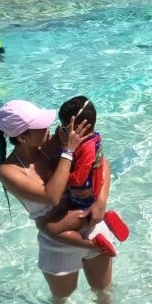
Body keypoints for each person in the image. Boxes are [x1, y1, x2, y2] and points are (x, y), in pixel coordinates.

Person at [0, 99, 124, 304]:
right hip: (58, 241)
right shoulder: (9, 171)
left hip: (90, 221)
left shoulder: (54, 142)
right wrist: (67, 151)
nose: (49, 127)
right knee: (62, 295)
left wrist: (101, 200)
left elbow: (102, 162)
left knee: (102, 288)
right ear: (21, 137)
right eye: (40, 126)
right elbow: (51, 196)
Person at [42, 96, 129, 259]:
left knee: (52, 229)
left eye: (65, 127)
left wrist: (56, 177)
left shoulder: (87, 149)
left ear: (77, 126)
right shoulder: (90, 139)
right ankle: (107, 220)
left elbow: (78, 180)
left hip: (84, 201)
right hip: (87, 197)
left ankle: (95, 245)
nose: (62, 129)